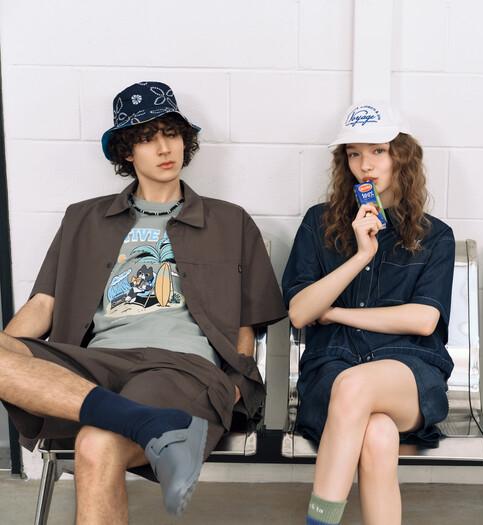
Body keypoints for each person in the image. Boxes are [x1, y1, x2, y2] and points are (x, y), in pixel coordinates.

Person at [0, 81, 286, 522]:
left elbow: (247, 325)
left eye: (171, 134)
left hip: (178, 367)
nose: (164, 148)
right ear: (126, 153)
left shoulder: (230, 221)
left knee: (96, 443)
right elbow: (43, 305)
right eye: (147, 139)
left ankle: (133, 417)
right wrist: (12, 361)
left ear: (185, 141)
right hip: (94, 365)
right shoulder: (83, 218)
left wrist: (232, 385)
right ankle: (143, 421)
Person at [282, 102, 455, 525]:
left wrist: (337, 314)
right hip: (331, 369)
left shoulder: (435, 236)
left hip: (407, 371)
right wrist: (362, 254)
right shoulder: (318, 223)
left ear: (401, 156)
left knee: (356, 385)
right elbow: (300, 313)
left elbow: (423, 320)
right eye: (354, 154)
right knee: (377, 434)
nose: (366, 165)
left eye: (378, 151)